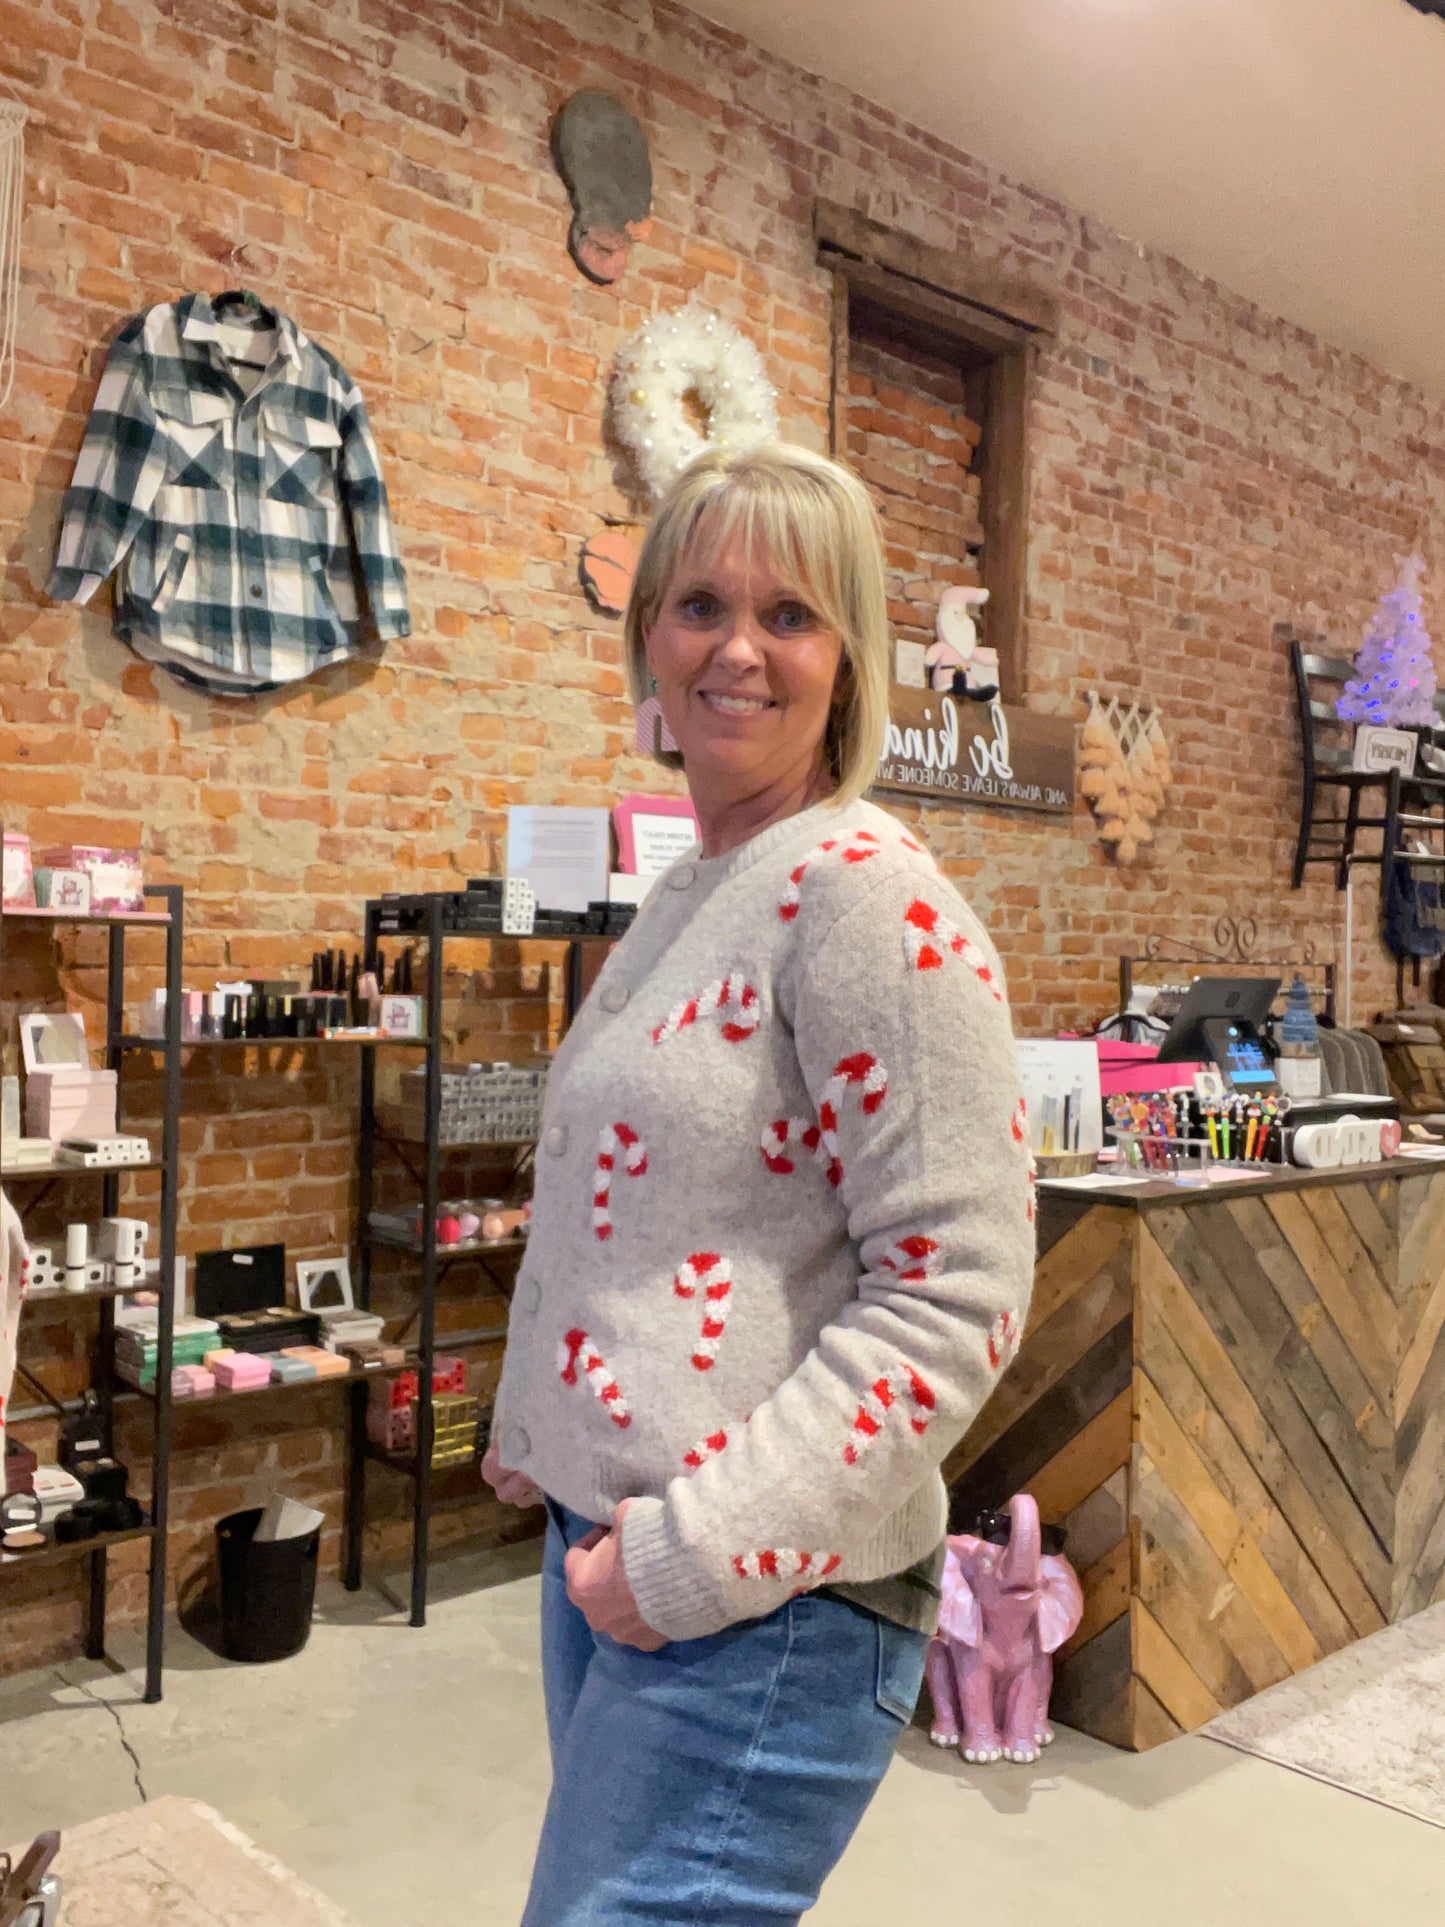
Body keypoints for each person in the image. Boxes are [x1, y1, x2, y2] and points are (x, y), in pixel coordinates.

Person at [482, 441, 1035, 1925]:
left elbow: (954, 1300)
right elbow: (625, 1201)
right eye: (700, 603)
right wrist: (539, 1422)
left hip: (759, 1605)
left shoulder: (862, 891)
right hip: (625, 1568)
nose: (737, 647)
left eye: (790, 615)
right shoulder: (686, 889)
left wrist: (678, 1561)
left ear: (848, 660)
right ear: (645, 636)